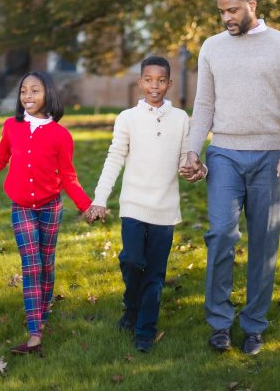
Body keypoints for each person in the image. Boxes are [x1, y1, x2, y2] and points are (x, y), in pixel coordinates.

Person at [180, 0, 280, 355]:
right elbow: (203, 104)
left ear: (252, 3)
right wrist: (192, 151)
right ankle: (220, 322)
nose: (226, 18)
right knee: (220, 235)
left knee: (264, 244)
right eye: (221, 11)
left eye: (232, 10)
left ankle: (254, 325)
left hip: (270, 155)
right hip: (225, 154)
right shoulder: (212, 47)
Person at [0, 71, 92, 356]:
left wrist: (86, 206)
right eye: (24, 91)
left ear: (48, 94)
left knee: (46, 264)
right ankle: (35, 332)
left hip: (50, 206)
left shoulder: (61, 135)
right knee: (31, 265)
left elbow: (69, 177)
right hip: (21, 207)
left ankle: (42, 315)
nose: (27, 96)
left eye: (34, 91)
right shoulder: (12, 126)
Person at [85, 56, 191, 353]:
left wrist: (197, 170)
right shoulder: (127, 118)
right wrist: (100, 198)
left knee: (155, 273)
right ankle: (131, 307)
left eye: (161, 80)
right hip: (133, 205)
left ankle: (145, 327)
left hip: (165, 210)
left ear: (169, 84)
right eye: (148, 79)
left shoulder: (182, 119)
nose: (154, 86)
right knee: (133, 261)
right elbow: (115, 157)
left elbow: (187, 159)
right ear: (140, 82)